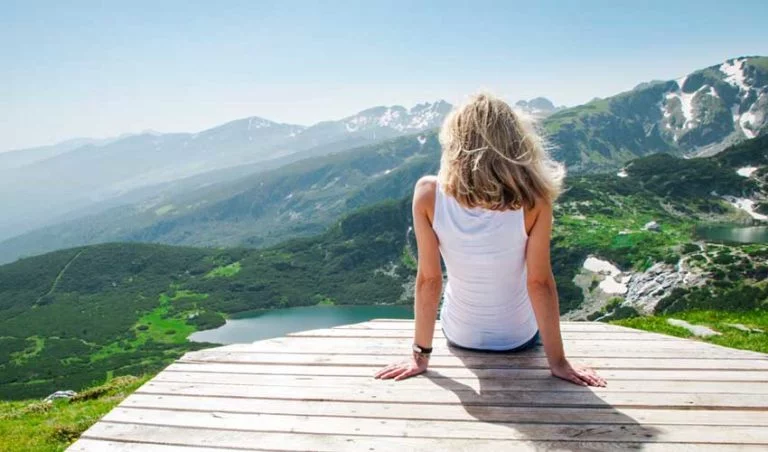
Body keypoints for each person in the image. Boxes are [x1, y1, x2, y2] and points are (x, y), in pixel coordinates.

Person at [374, 93, 606, 387]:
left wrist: (420, 356)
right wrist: (558, 363)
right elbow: (540, 283)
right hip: (518, 338)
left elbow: (428, 281)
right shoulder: (535, 199)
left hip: (460, 334)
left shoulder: (427, 193)